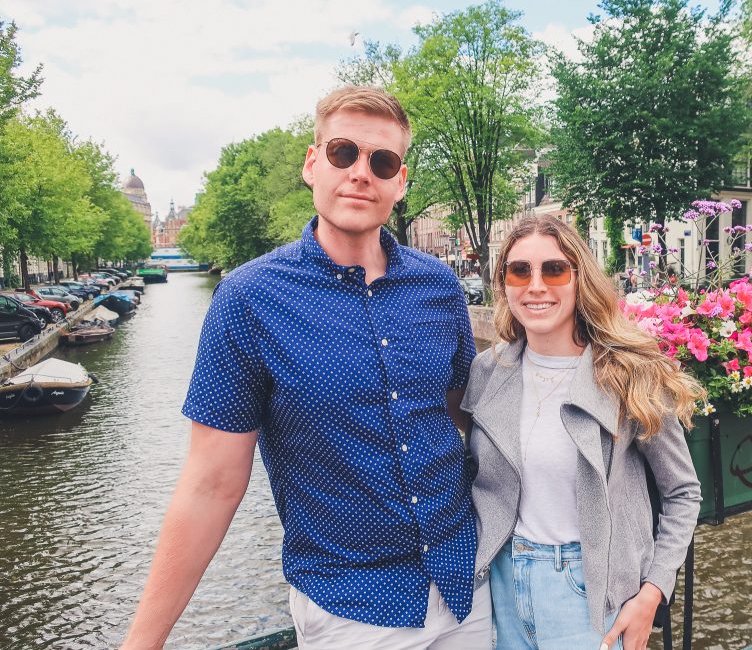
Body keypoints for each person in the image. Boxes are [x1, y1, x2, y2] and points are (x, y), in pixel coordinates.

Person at [121, 86, 490, 649]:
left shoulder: (438, 288)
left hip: (468, 586)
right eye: (344, 153)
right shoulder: (249, 298)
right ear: (312, 164)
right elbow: (212, 483)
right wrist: (142, 641)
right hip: (352, 609)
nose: (361, 173)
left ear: (400, 180)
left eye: (382, 161)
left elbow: (457, 420)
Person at [462, 214, 703, 650]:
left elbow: (683, 493)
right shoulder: (487, 371)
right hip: (501, 586)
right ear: (504, 285)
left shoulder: (629, 374)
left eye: (553, 269)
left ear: (579, 278)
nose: (535, 285)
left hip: (589, 591)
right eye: (519, 271)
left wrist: (652, 592)